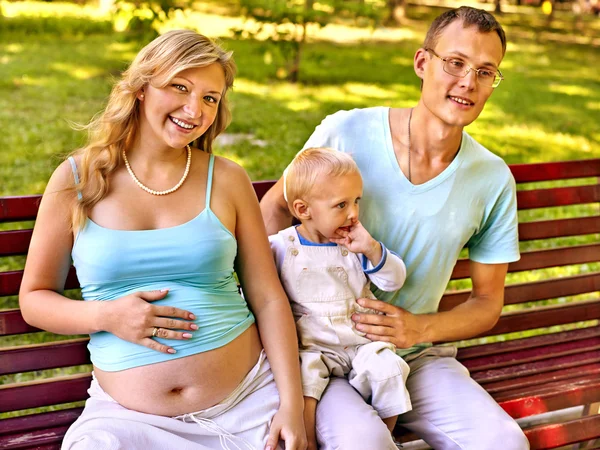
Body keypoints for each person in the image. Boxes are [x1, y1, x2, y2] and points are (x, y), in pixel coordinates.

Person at [19, 29, 306, 450]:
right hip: (127, 419)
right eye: (180, 87)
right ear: (140, 88)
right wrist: (107, 316)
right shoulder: (77, 180)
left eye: (211, 97)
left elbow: (267, 297)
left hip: (247, 403)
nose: (195, 109)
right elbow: (34, 299)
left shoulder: (226, 178)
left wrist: (292, 406)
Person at [260, 6, 530, 450]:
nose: (468, 82)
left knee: (504, 444)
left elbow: (486, 302)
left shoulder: (493, 178)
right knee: (367, 444)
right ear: (423, 62)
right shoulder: (346, 131)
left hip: (417, 358)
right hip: (322, 351)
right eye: (455, 63)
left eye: (485, 72)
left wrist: (419, 329)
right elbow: (273, 211)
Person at [269, 147, 411, 449]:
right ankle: (305, 442)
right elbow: (254, 282)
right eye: (341, 205)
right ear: (304, 210)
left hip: (360, 343)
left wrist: (372, 248)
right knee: (304, 387)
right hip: (313, 347)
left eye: (356, 201)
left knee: (391, 370)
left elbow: (394, 280)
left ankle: (387, 435)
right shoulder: (281, 246)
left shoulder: (355, 243)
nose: (354, 214)